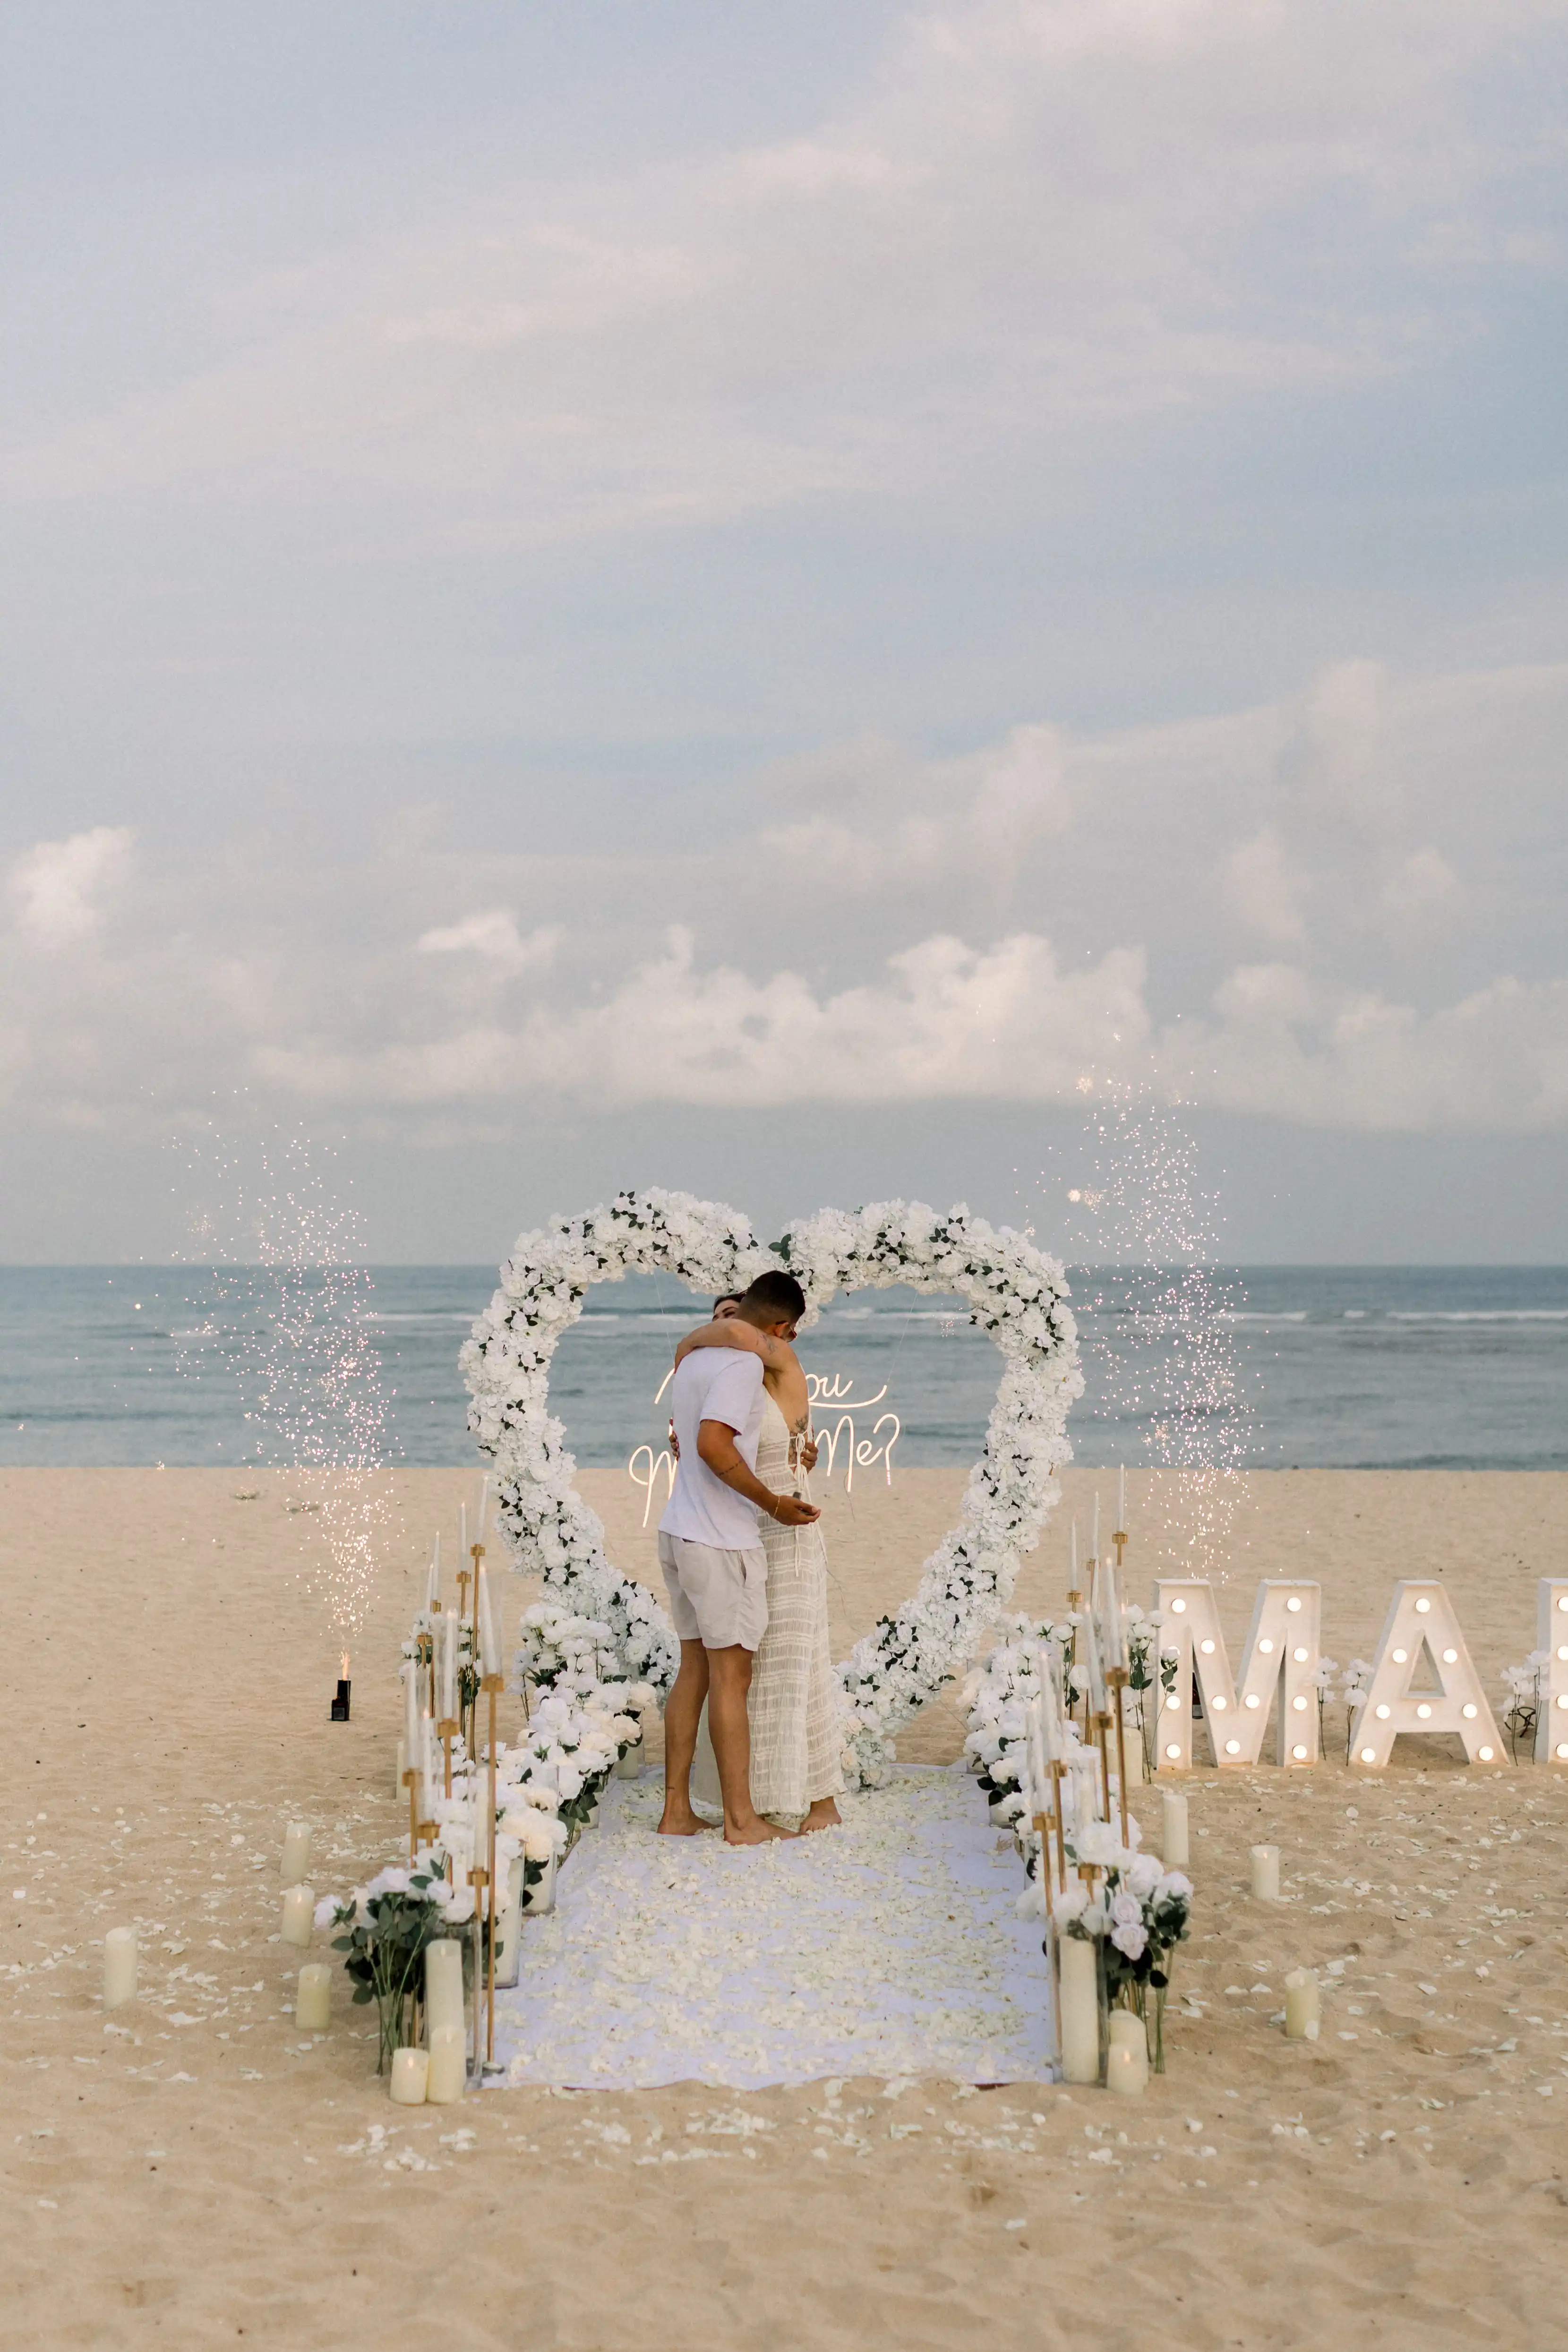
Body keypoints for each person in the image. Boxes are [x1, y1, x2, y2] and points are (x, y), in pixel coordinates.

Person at [672, 1285, 845, 1833]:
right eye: (719, 1318)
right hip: (737, 1528)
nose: (728, 1330)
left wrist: (696, 1336)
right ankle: (745, 1801)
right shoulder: (727, 1377)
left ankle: (818, 1799)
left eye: (736, 1319)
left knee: (795, 1664)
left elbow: (741, 1336)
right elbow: (714, 1445)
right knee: (743, 1673)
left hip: (785, 1531)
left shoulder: (776, 1358)